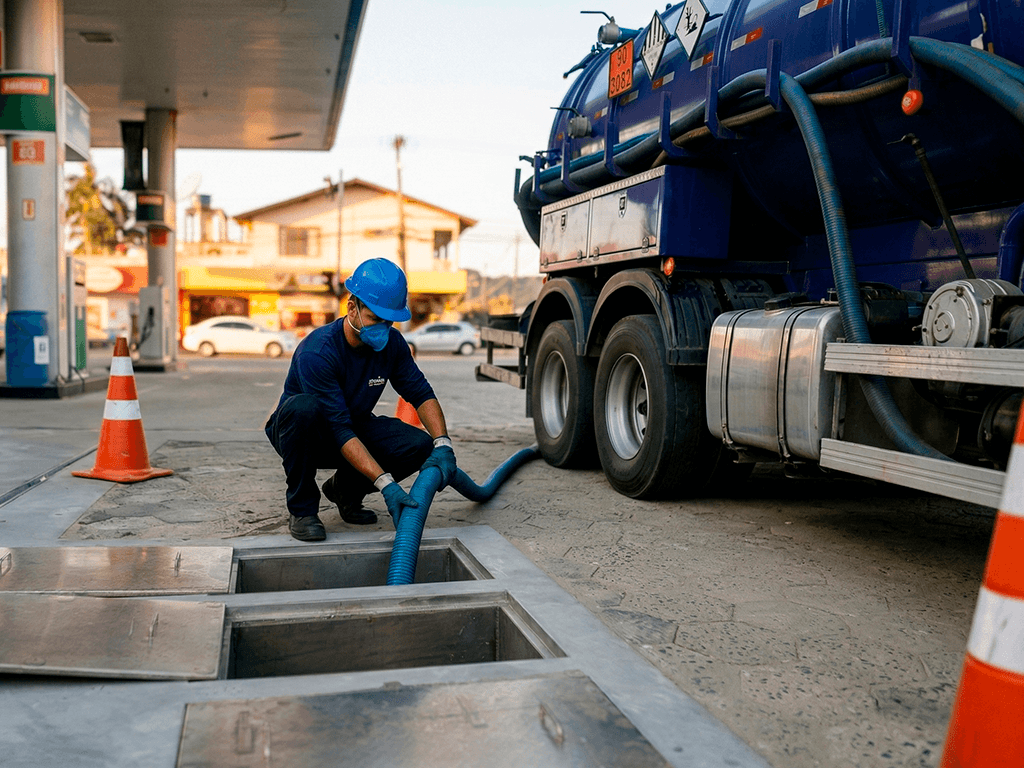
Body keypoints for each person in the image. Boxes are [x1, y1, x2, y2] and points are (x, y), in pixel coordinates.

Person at [265, 258, 457, 542]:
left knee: (419, 445)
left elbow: (420, 393)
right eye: (375, 319)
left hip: (352, 425)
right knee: (302, 409)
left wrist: (443, 443)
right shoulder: (317, 352)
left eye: (389, 320)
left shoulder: (392, 344)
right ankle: (303, 510)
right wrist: (386, 484)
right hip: (306, 435)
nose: (383, 327)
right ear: (352, 308)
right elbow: (337, 428)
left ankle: (345, 490)